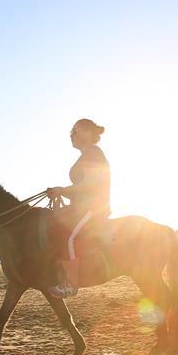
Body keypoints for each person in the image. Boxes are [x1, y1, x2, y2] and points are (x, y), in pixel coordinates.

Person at [46, 118, 111, 297]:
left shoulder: (92, 152)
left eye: (76, 131)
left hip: (93, 207)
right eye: (71, 132)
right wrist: (62, 192)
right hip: (82, 206)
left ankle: (70, 284)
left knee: (66, 235)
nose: (72, 135)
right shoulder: (86, 154)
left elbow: (90, 185)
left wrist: (63, 190)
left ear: (89, 133)